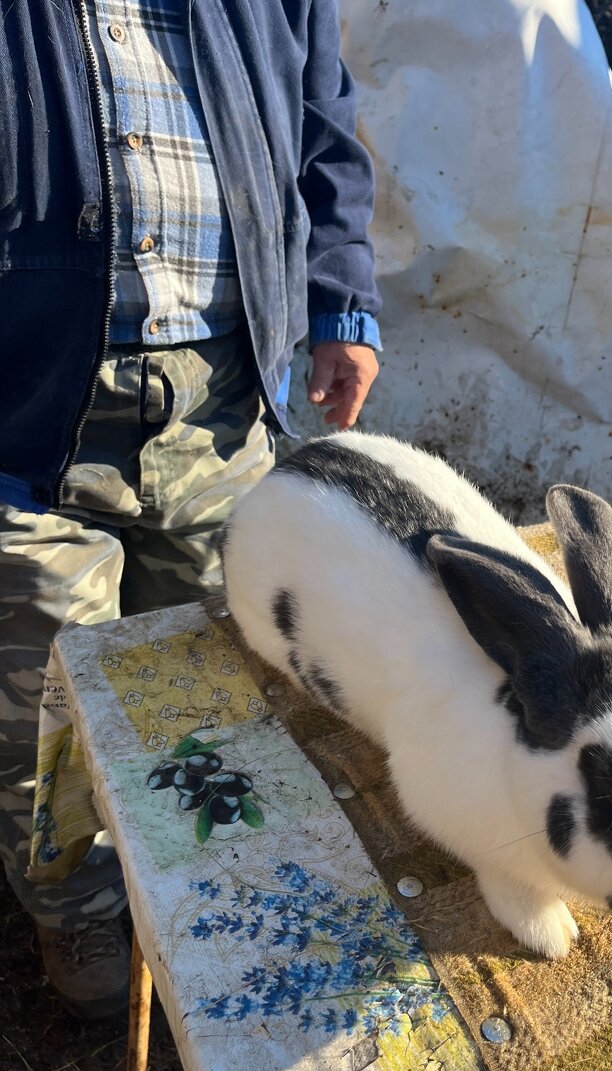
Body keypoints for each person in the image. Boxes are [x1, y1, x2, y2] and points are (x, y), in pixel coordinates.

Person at [0, 1, 382, 1017]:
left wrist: (339, 303)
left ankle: (191, 900)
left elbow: (324, 129)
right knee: (38, 706)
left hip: (219, 399)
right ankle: (75, 912)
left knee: (211, 688)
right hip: (23, 411)